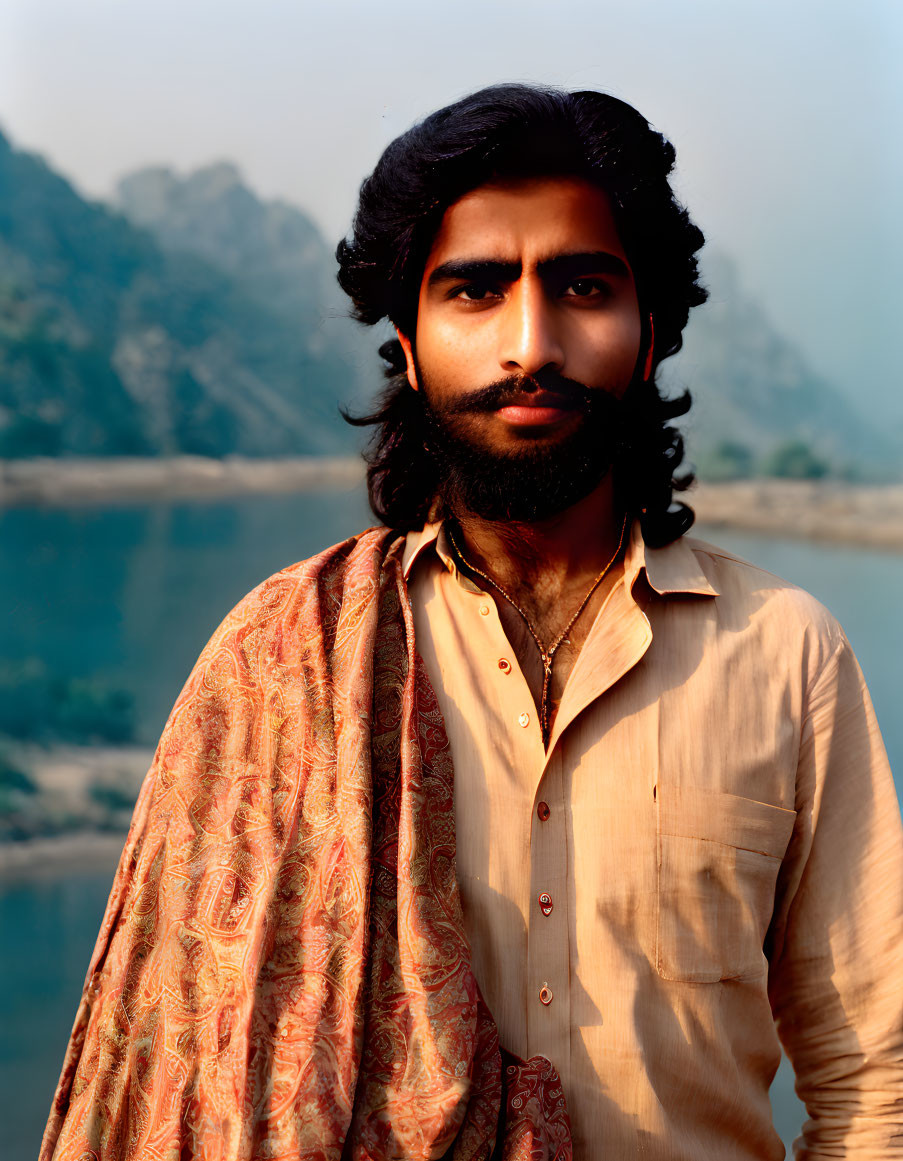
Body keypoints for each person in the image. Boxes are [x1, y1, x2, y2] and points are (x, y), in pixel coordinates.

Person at [42, 84, 902, 1161]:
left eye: (584, 286)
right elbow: (161, 1085)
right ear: (407, 342)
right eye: (477, 291)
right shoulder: (282, 658)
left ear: (648, 339)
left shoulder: (785, 656)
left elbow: (876, 1086)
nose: (531, 343)